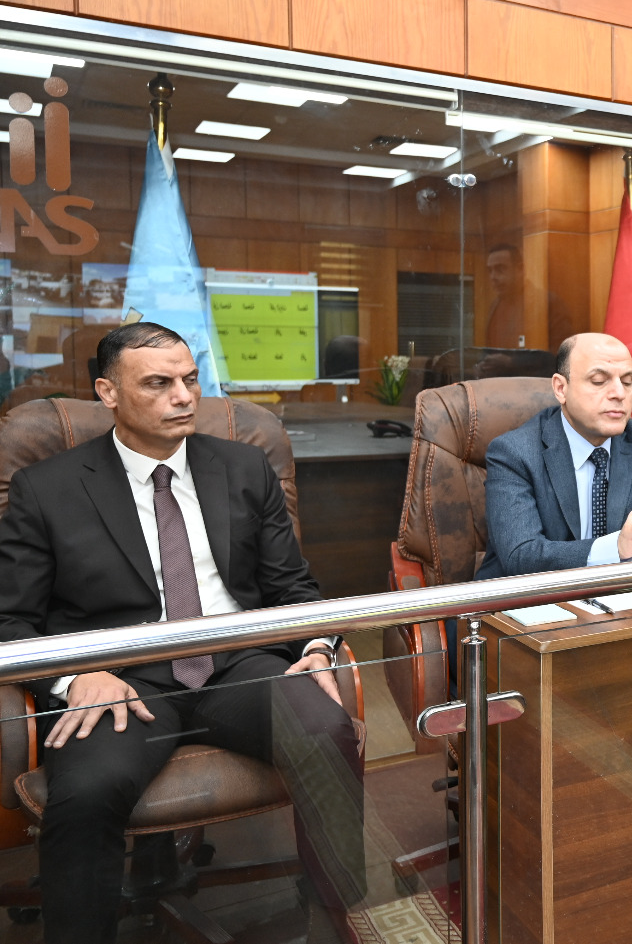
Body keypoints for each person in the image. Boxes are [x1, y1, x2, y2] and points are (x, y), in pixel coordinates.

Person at [0, 322, 365, 944]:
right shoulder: (47, 488)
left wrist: (313, 647)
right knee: (86, 792)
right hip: (122, 679)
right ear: (108, 393)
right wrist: (74, 676)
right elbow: (11, 620)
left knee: (326, 729)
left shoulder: (244, 467)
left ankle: (343, 918)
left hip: (238, 663)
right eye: (158, 383)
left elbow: (293, 587)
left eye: (190, 380)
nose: (183, 396)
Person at [476, 331, 632, 581]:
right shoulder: (514, 452)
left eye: (627, 382)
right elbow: (521, 557)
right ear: (561, 388)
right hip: (528, 598)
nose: (619, 393)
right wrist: (615, 548)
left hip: (618, 597)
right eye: (599, 381)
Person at [484, 242, 525, 349]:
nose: (493, 277)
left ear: (520, 269)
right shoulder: (495, 306)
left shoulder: (544, 304)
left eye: (500, 269)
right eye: (490, 271)